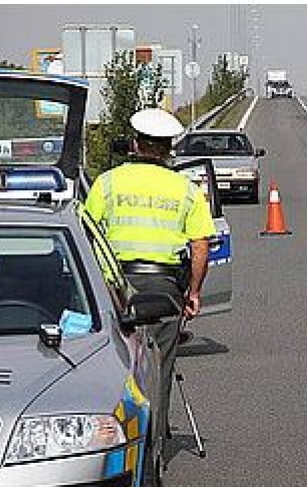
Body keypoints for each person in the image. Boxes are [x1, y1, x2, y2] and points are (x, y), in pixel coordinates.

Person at [84, 108, 216, 439]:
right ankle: (153, 439)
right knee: (160, 366)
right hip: (164, 288)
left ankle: (113, 436)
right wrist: (194, 293)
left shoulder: (107, 182)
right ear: (169, 148)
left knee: (114, 362)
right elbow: (201, 244)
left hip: (115, 288)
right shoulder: (185, 189)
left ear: (135, 144)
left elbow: (86, 233)